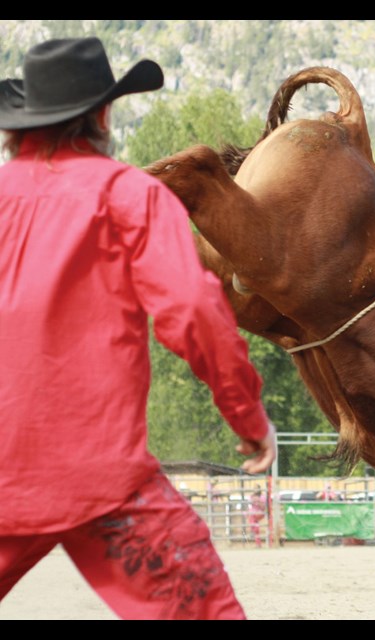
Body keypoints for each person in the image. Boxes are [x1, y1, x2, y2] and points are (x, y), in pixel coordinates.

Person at [0, 37, 278, 620]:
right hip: (105, 484)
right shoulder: (128, 196)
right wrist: (247, 417)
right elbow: (193, 310)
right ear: (103, 113)